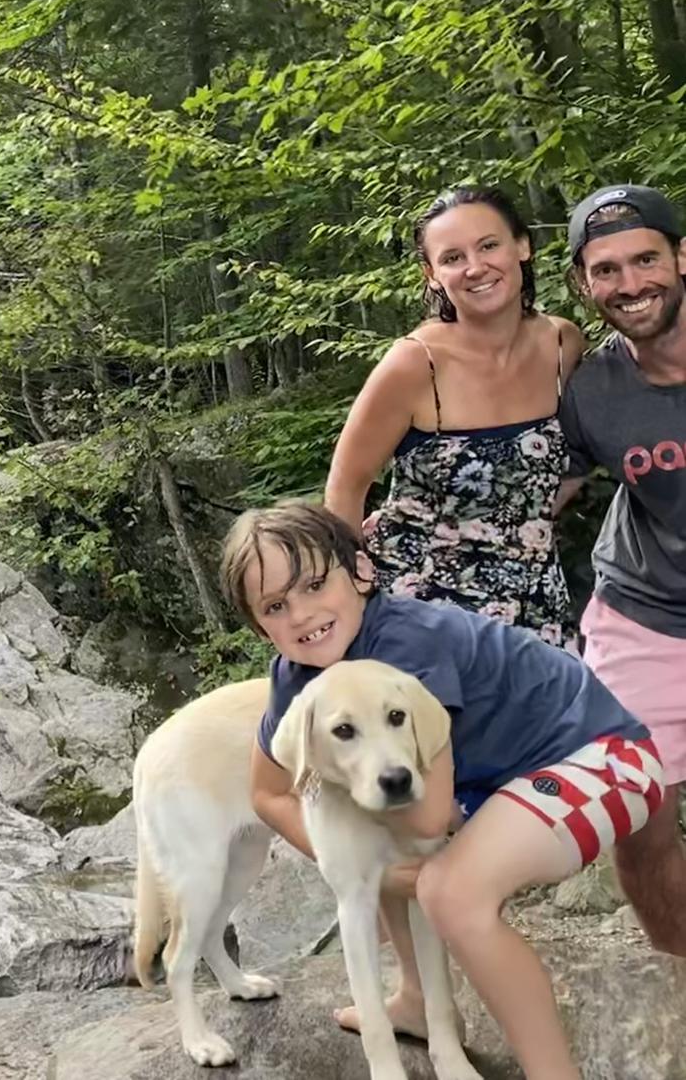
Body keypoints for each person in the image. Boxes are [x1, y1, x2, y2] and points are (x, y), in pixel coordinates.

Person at [227, 500, 662, 1080]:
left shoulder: (406, 645)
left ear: (360, 570)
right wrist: (352, 867)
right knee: (371, 823)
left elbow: (429, 819)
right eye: (277, 606)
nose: (302, 614)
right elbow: (268, 791)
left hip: (603, 759)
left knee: (449, 890)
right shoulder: (298, 681)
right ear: (260, 627)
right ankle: (416, 999)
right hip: (510, 784)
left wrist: (370, 864)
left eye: (312, 584)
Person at [325, 184, 585, 643]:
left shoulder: (563, 345)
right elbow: (345, 488)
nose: (475, 268)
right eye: (452, 258)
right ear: (431, 274)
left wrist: (521, 524)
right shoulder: (414, 364)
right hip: (421, 609)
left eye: (488, 245)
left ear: (522, 246)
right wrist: (357, 596)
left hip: (535, 603)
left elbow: (579, 456)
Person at [559, 181, 686, 956]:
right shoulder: (591, 391)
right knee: (636, 820)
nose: (630, 284)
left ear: (681, 256)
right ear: (582, 283)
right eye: (606, 270)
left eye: (645, 259)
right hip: (644, 617)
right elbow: (536, 494)